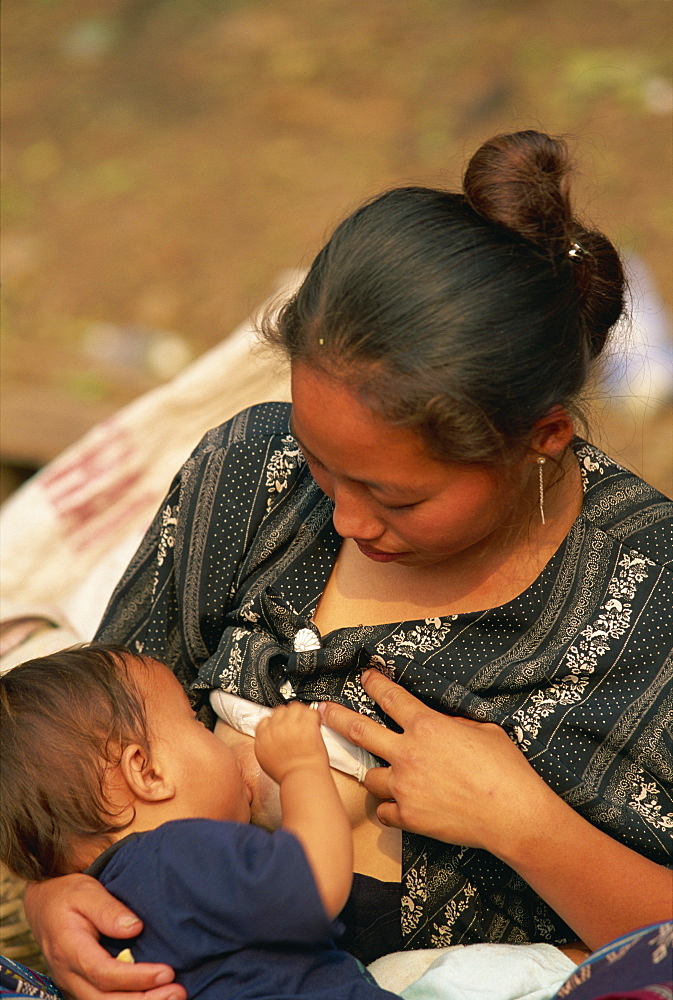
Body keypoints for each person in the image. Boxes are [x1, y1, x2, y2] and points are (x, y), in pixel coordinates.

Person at [24, 130, 673, 1000]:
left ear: (541, 438)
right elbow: (78, 746)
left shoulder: (651, 601)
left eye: (395, 499)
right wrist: (54, 897)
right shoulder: (254, 472)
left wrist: (525, 824)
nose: (341, 516)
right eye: (318, 461)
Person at [0, 644, 399, 999]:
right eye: (194, 721)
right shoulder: (176, 856)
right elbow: (313, 884)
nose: (210, 730)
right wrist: (301, 768)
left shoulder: (107, 909)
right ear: (147, 773)